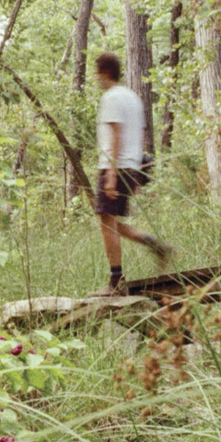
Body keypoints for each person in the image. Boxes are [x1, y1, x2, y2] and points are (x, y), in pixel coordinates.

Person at [88, 52, 173, 296]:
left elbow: (116, 134)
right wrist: (136, 171)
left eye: (97, 73)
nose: (96, 78)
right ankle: (154, 244)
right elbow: (140, 134)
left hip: (115, 167)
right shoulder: (133, 98)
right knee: (112, 222)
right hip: (132, 167)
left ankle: (116, 282)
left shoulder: (111, 97)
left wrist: (111, 173)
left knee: (107, 224)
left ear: (105, 72)